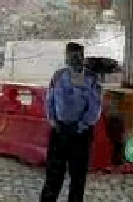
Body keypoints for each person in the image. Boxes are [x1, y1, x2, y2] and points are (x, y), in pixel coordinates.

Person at [41, 41, 102, 202]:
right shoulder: (58, 76)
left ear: (83, 57)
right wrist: (53, 121)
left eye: (78, 55)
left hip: (80, 134)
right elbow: (49, 101)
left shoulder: (91, 78)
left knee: (78, 177)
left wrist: (81, 126)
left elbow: (94, 108)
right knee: (53, 175)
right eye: (71, 55)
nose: (75, 59)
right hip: (59, 132)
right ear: (66, 57)